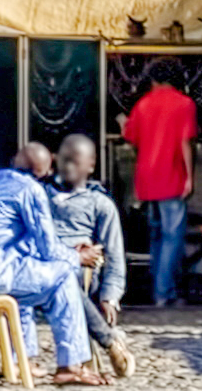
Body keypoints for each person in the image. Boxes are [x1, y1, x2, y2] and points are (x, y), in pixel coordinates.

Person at [0, 141, 112, 387]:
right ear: (44, 172)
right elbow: (47, 248)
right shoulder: (30, 189)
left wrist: (67, 252)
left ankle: (22, 360)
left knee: (26, 274)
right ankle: (70, 366)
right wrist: (77, 258)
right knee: (61, 276)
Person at [48, 135, 138, 374]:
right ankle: (109, 341)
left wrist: (110, 296)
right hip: (44, 263)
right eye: (64, 160)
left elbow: (115, 254)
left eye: (75, 161)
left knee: (66, 279)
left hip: (81, 271)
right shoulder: (41, 196)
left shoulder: (99, 203)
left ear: (90, 165)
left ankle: (82, 357)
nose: (68, 167)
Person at [121, 72, 202, 306]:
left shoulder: (143, 104)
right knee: (173, 236)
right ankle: (164, 291)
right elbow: (185, 141)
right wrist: (190, 176)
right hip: (172, 176)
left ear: (154, 80)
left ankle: (159, 288)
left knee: (156, 235)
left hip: (146, 179)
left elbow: (129, 136)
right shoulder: (184, 104)